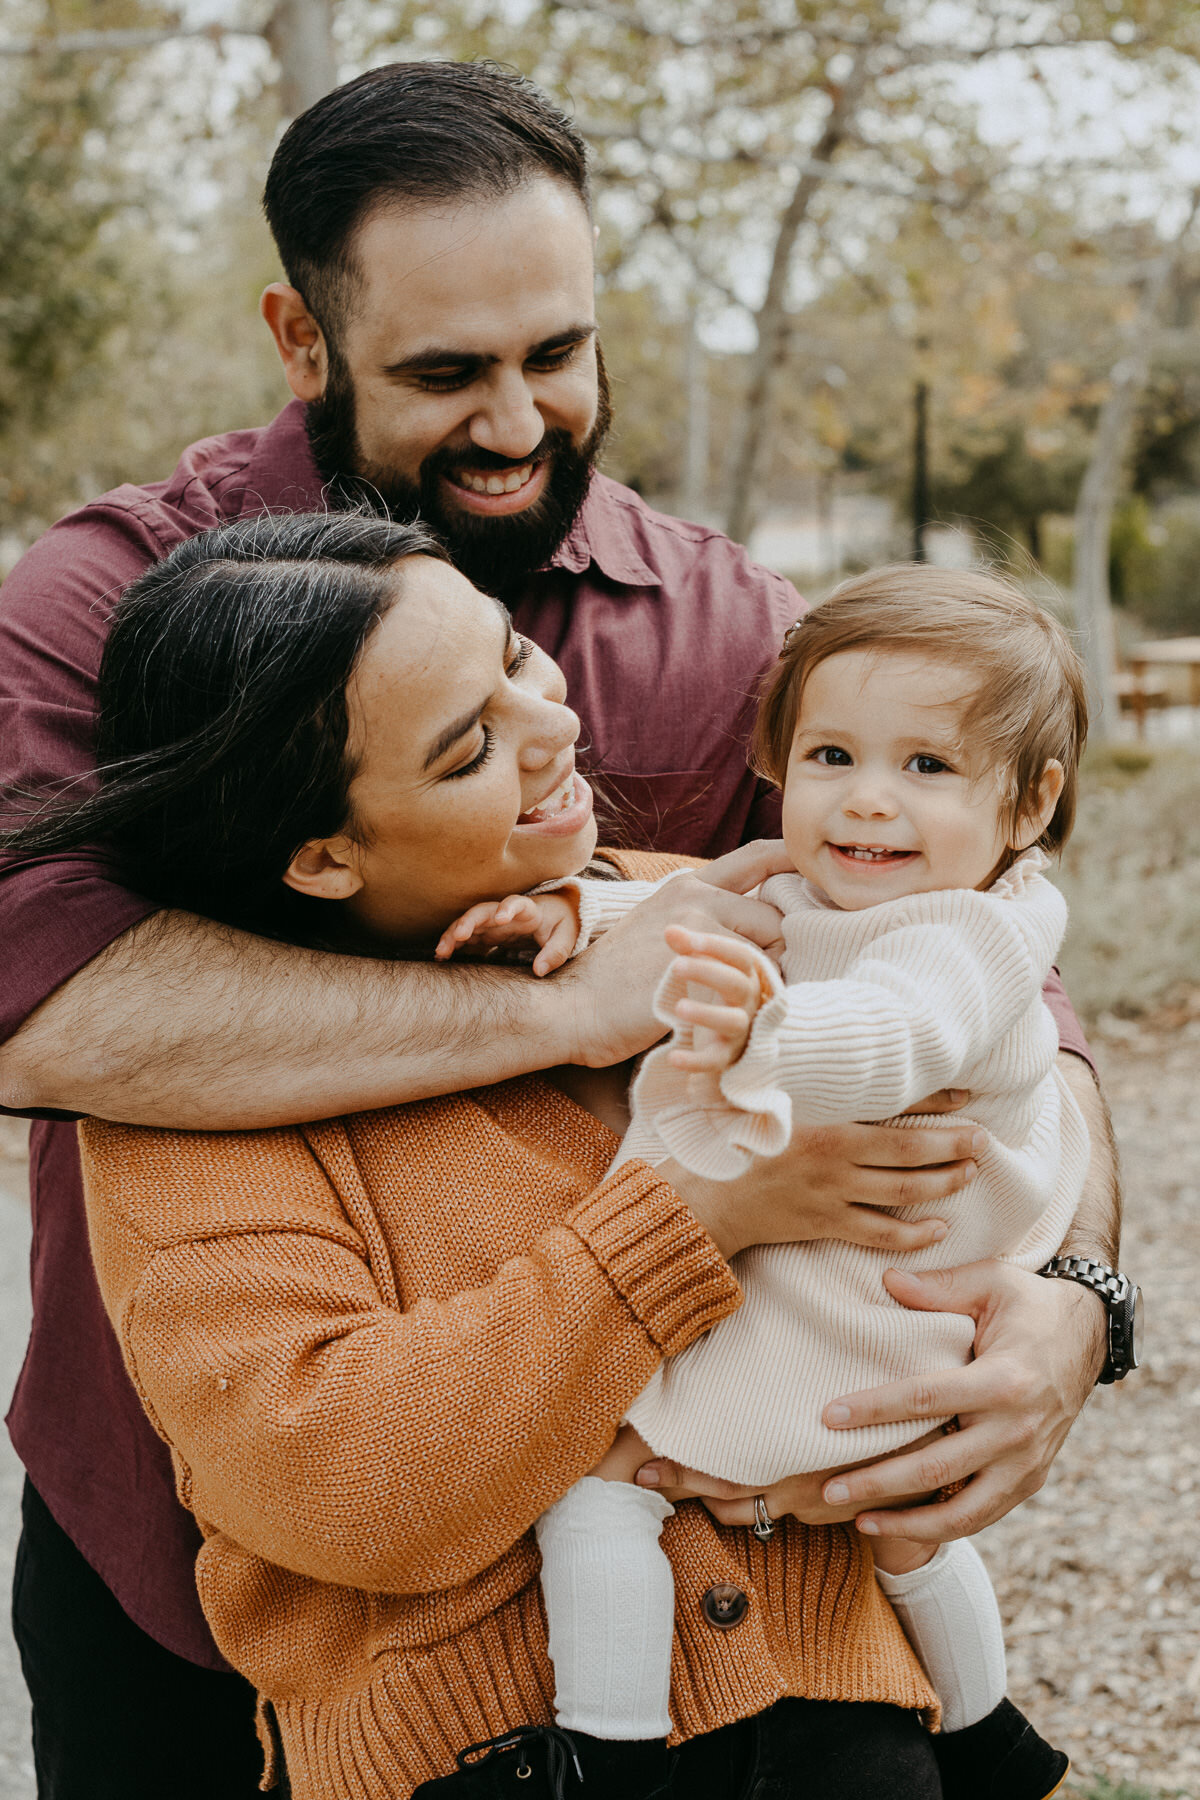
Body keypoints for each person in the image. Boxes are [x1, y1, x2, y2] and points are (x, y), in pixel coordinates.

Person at [0, 59, 1119, 1797]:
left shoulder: (734, 626)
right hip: (205, 1513)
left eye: (557, 354)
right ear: (303, 343)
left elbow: (992, 980)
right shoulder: (112, 610)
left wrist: (1071, 1299)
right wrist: (574, 1003)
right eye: (447, 373)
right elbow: (47, 1006)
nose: (519, 423)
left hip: (705, 1548)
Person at [7, 511, 958, 1799]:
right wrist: (692, 1217)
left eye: (515, 658)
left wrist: (1046, 1307)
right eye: (470, 749)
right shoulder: (192, 1108)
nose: (552, 728)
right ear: (324, 854)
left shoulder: (697, 901)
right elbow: (346, 1486)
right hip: (484, 1761)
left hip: (852, 1718)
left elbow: (982, 1051)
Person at [447, 566, 1087, 1797]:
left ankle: (608, 1753)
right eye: (834, 755)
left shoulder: (974, 939)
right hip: (865, 1300)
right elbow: (666, 910)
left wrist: (762, 1034)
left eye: (928, 768)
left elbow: (900, 1039)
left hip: (859, 1313)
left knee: (599, 1481)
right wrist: (567, 919)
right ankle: (990, 1733)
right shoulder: (806, 887)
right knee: (907, 1535)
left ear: (1031, 800)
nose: (870, 803)